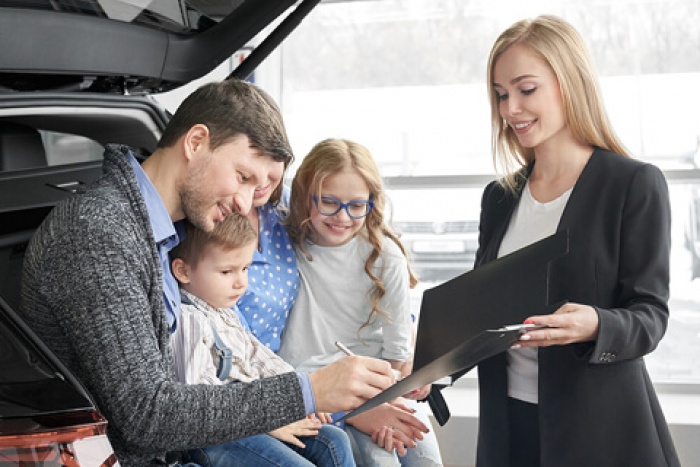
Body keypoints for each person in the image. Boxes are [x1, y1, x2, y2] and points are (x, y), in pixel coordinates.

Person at [20, 79, 397, 466]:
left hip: (171, 445)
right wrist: (308, 390)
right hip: (134, 456)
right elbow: (146, 415)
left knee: (333, 446)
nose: (245, 202)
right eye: (242, 176)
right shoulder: (99, 231)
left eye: (260, 186)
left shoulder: (166, 230)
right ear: (196, 142)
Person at [466, 15, 680, 466]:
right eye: (501, 95)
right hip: (508, 429)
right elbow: (480, 312)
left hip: (599, 433)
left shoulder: (633, 184)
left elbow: (651, 315)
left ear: (570, 83)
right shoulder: (499, 198)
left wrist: (596, 325)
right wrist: (431, 367)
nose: (510, 110)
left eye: (526, 90)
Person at [279, 138, 444, 467]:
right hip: (313, 389)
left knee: (423, 452)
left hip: (376, 386)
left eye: (357, 206)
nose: (343, 217)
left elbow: (398, 359)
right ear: (303, 195)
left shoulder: (385, 257)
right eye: (329, 202)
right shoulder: (285, 245)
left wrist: (400, 392)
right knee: (379, 459)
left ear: (372, 202)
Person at [170, 213, 355, 467]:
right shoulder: (188, 320)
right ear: (183, 271)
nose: (240, 282)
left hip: (251, 418)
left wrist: (303, 396)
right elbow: (199, 403)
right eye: (226, 271)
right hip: (214, 435)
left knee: (334, 441)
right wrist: (267, 422)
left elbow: (260, 358)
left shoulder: (227, 315)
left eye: (245, 269)